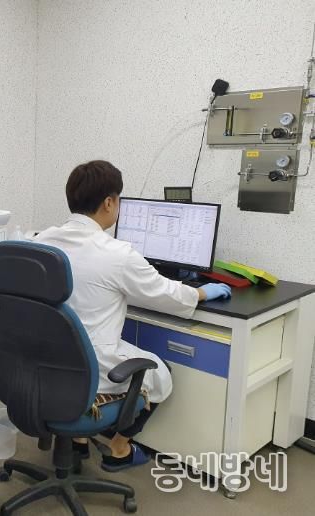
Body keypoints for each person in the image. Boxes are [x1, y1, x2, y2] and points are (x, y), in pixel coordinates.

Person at [34, 160, 231, 472]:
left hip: (43, 365)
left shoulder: (41, 241)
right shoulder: (117, 254)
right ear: (109, 202)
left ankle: (80, 441)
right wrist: (202, 293)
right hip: (93, 368)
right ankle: (119, 448)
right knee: (160, 371)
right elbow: (167, 294)